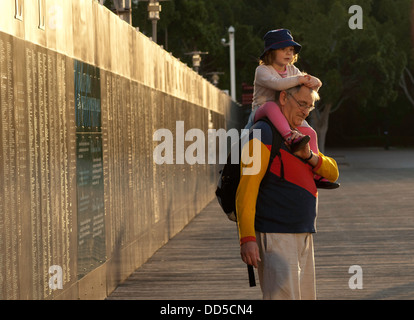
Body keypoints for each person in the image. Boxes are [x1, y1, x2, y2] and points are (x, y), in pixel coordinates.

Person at [236, 85, 339, 300]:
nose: (305, 112)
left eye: (309, 107)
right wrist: (247, 238)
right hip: (276, 235)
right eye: (302, 104)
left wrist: (309, 156)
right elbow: (247, 188)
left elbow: (333, 173)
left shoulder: (303, 136)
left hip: (303, 233)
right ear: (283, 97)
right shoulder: (263, 133)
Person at [245, 29, 322, 154]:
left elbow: (305, 91)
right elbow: (277, 84)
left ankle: (315, 160)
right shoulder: (262, 70)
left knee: (310, 132)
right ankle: (289, 138)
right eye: (282, 49)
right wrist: (300, 79)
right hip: (261, 110)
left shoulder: (292, 70)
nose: (288, 53)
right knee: (271, 106)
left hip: (286, 113)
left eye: (291, 50)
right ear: (270, 52)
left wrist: (315, 82)